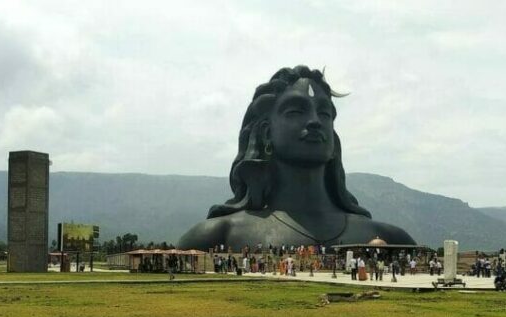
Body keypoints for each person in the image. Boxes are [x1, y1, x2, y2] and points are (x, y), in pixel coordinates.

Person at [178, 66, 416, 251]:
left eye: (324, 113)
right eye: (295, 111)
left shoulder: (391, 239)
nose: (314, 121)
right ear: (266, 133)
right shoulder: (216, 235)